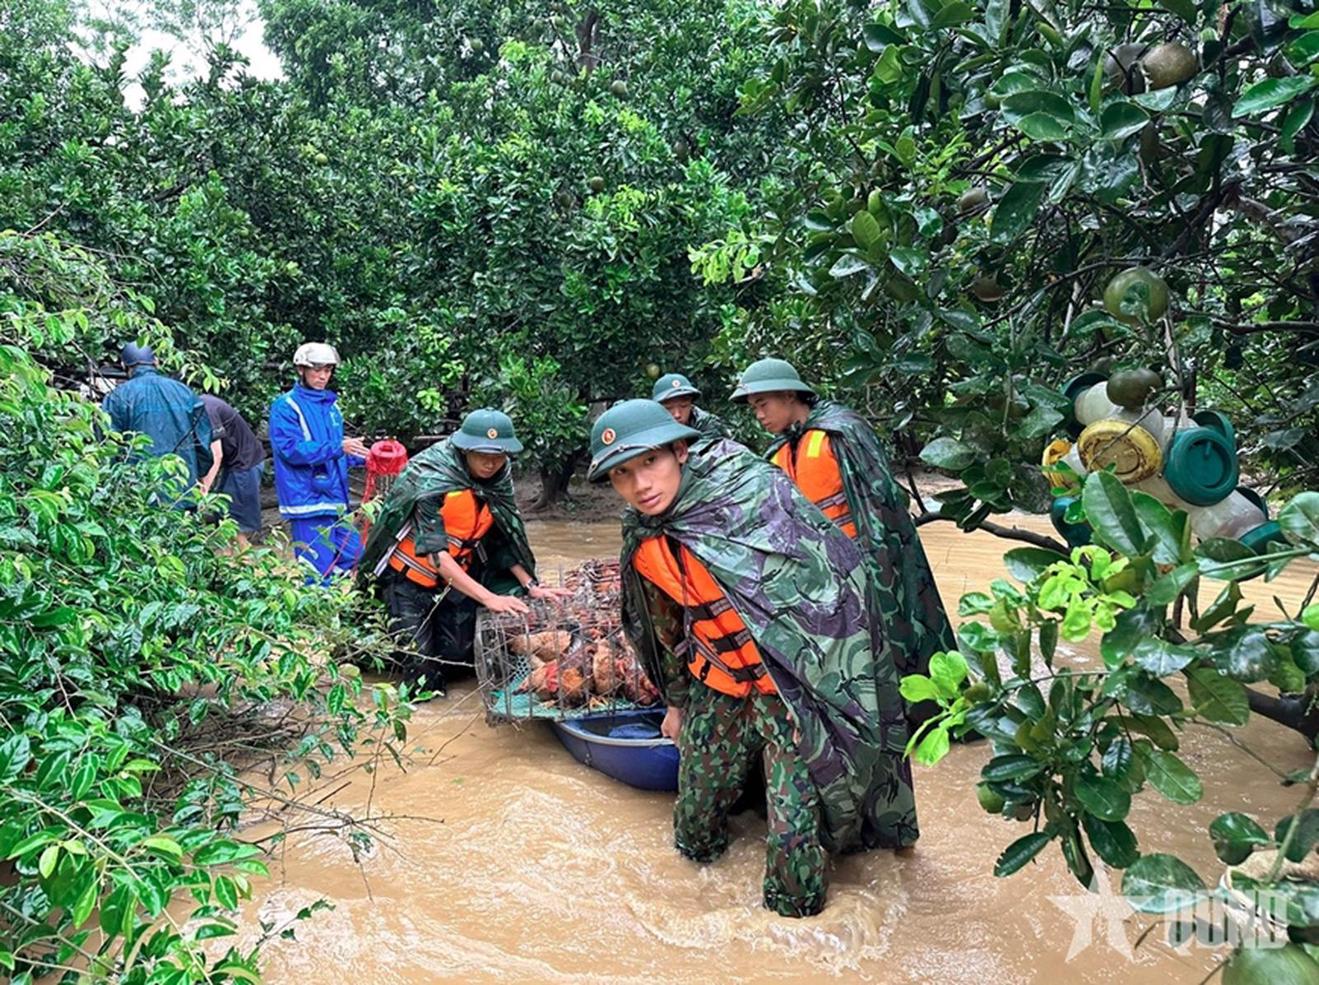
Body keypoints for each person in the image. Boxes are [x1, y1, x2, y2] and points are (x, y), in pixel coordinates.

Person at [590, 399, 916, 918]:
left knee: (795, 848)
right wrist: (675, 703)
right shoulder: (643, 534)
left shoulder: (751, 495)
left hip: (789, 690)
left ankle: (796, 938)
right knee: (695, 826)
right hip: (718, 684)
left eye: (650, 462)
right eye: (622, 474)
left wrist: (826, 692)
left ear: (680, 450)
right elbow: (661, 627)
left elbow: (838, 587)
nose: (640, 484)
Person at [732, 357, 956, 725]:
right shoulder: (777, 453)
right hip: (822, 584)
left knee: (895, 649)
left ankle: (928, 722)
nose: (758, 415)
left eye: (762, 403)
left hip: (870, 572)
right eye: (753, 407)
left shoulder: (842, 433)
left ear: (788, 395)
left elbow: (881, 510)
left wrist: (875, 576)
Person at [359, 409, 565, 696]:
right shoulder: (432, 477)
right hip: (408, 582)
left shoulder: (498, 479)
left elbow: (503, 538)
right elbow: (437, 556)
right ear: (465, 449)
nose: (491, 463)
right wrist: (489, 598)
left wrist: (530, 584)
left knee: (461, 660)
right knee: (422, 676)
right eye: (482, 454)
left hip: (455, 581)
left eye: (499, 455)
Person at [269, 342, 368, 581]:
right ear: (301, 370)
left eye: (328, 370)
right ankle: (318, 603)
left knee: (357, 556)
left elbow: (337, 453)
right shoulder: (286, 406)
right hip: (307, 502)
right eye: (317, 370)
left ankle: (335, 601)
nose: (323, 376)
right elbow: (291, 449)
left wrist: (367, 456)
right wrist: (339, 447)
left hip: (335, 501)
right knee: (316, 571)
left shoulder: (332, 408)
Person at [101, 343, 213, 503]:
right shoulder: (185, 393)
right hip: (182, 491)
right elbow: (203, 443)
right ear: (156, 362)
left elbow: (108, 448)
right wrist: (195, 475)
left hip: (137, 495)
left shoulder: (116, 398)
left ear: (124, 365)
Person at [199, 394, 266, 548]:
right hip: (234, 464)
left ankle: (245, 555)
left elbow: (217, 454)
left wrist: (204, 489)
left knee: (234, 521)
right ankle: (228, 557)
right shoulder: (199, 405)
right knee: (222, 514)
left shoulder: (207, 409)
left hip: (245, 462)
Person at [651, 372, 731, 439]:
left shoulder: (707, 424)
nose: (677, 414)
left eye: (684, 406)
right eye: (668, 408)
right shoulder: (650, 428)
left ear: (691, 405)